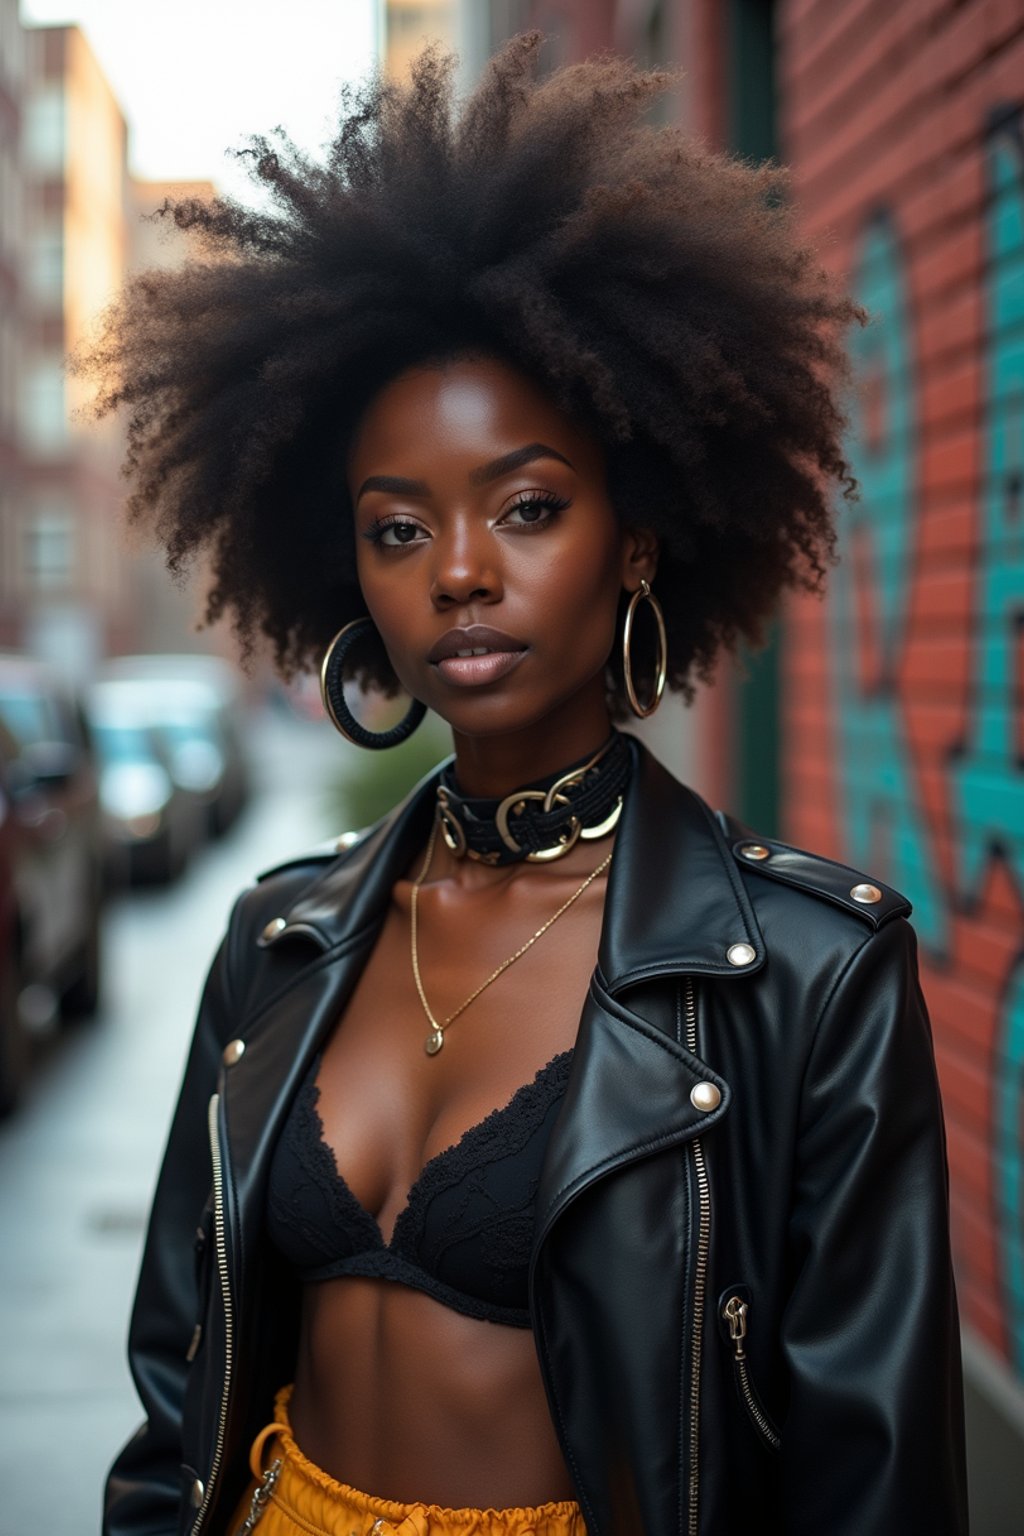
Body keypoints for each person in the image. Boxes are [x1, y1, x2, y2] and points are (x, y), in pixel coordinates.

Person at [91, 34, 969, 1536]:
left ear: (636, 541)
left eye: (529, 505)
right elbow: (180, 1394)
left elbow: (869, 1479)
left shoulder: (809, 979)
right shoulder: (278, 943)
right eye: (396, 527)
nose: (460, 573)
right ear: (342, 564)